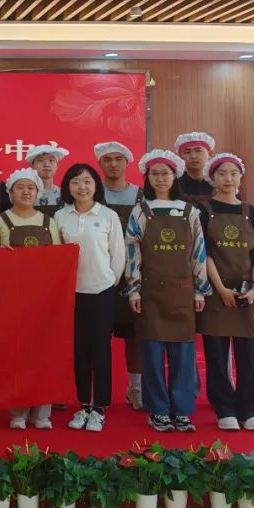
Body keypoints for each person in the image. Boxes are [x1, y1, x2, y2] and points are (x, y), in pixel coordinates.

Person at [123, 150, 210, 433]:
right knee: (151, 354)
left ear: (175, 176)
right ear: (147, 178)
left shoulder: (189, 211)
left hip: (183, 291)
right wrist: (133, 289)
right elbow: (132, 251)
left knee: (183, 354)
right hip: (149, 292)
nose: (160, 178)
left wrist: (200, 289)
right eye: (155, 173)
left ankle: (182, 410)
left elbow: (199, 251)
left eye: (165, 173)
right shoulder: (140, 210)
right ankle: (158, 410)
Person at [198, 153, 254, 432]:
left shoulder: (251, 212)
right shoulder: (204, 211)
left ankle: (248, 408)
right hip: (217, 292)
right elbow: (205, 254)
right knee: (216, 354)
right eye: (222, 174)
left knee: (248, 355)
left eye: (233, 173)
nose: (228, 179)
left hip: (247, 293)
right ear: (212, 178)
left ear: (241, 177)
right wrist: (220, 289)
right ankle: (224, 408)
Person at [54, 163, 126, 434]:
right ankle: (83, 404)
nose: (81, 187)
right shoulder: (61, 216)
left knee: (101, 350)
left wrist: (108, 282)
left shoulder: (107, 215)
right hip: (71, 294)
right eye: (75, 182)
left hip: (101, 292)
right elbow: (56, 255)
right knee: (79, 351)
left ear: (96, 185)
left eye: (87, 181)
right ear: (68, 187)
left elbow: (118, 256)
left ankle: (100, 408)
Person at [0, 169, 62, 431]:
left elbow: (59, 259)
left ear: (37, 192)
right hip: (12, 298)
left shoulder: (48, 222)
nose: (25, 192)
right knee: (18, 355)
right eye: (20, 187)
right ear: (10, 193)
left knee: (45, 353)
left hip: (44, 299)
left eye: (30, 188)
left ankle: (43, 411)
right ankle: (18, 411)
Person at [94, 141, 144, 412]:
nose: (113, 164)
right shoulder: (90, 194)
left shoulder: (142, 196)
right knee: (96, 338)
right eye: (107, 159)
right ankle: (96, 393)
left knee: (135, 336)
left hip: (132, 276)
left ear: (127, 163)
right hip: (98, 274)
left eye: (118, 159)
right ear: (99, 164)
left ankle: (136, 388)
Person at [27, 141, 70, 218]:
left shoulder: (65, 194)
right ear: (31, 165)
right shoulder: (25, 194)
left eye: (51, 160)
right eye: (40, 160)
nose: (46, 165)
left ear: (56, 165)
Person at [174, 131, 216, 206]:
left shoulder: (219, 182)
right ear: (180, 156)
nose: (193, 156)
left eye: (198, 151)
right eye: (187, 152)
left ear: (210, 154)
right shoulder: (174, 184)